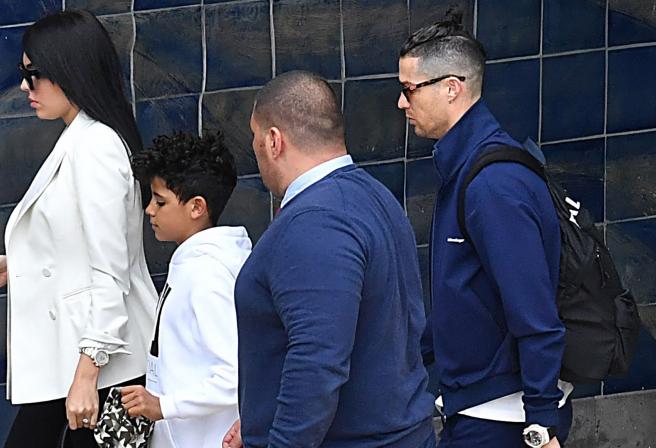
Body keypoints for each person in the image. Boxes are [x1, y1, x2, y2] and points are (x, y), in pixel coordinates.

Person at [0, 10, 157, 448]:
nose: (26, 87)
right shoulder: (81, 138)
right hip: (78, 359)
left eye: (36, 74)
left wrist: (87, 375)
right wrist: (20, 264)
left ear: (72, 69)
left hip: (100, 366)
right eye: (24, 74)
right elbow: (82, 247)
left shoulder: (97, 146)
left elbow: (111, 273)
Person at [225, 70, 435, 448]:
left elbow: (316, 361)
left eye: (255, 138)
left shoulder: (316, 222)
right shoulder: (374, 196)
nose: (255, 149)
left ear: (274, 141)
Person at [396, 10, 572, 448]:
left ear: (451, 88)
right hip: (476, 407)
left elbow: (534, 310)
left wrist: (542, 420)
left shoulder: (492, 186)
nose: (402, 103)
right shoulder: (466, 167)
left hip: (503, 419)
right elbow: (465, 294)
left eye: (409, 89)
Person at [120, 131, 251, 448]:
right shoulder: (195, 263)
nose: (150, 210)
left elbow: (234, 376)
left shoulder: (209, 275)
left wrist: (163, 406)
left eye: (160, 201)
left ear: (197, 207)